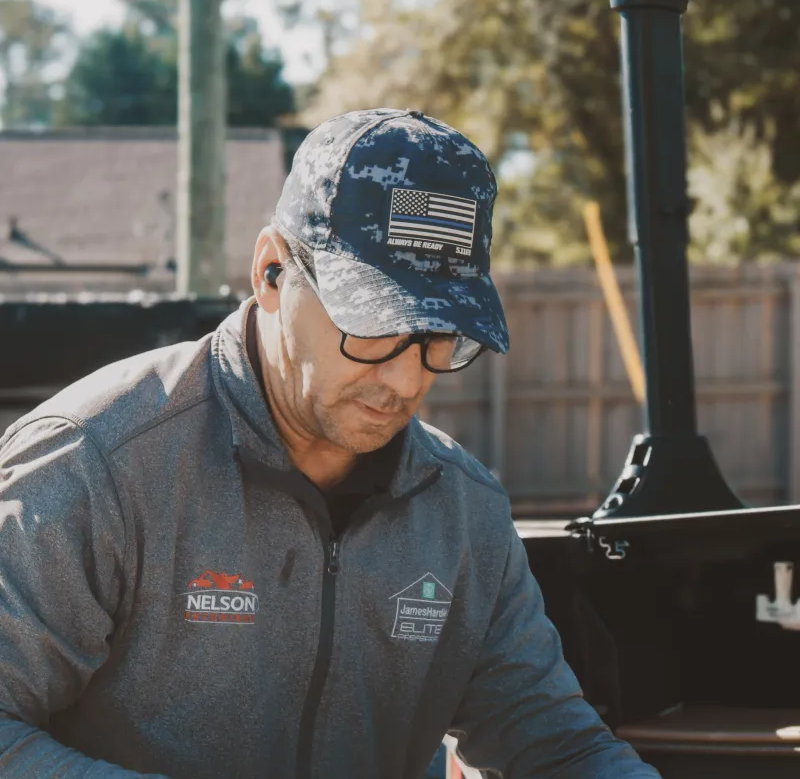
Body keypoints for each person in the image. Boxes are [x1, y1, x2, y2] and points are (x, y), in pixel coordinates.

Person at [0, 108, 660, 778]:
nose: (405, 380)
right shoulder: (94, 464)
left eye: (439, 338)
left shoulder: (463, 511)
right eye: (372, 324)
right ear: (271, 274)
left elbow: (557, 747)